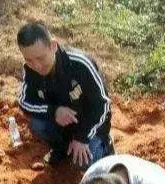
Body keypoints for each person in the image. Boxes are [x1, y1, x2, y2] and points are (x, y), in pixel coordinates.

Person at [17, 21, 114, 168]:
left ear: (53, 46)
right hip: (62, 125)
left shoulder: (80, 64)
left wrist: (82, 138)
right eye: (29, 60)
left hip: (88, 125)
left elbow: (102, 104)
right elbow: (24, 102)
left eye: (41, 58)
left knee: (83, 164)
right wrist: (54, 111)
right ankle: (61, 148)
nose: (36, 66)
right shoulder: (30, 70)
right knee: (37, 124)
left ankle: (104, 145)